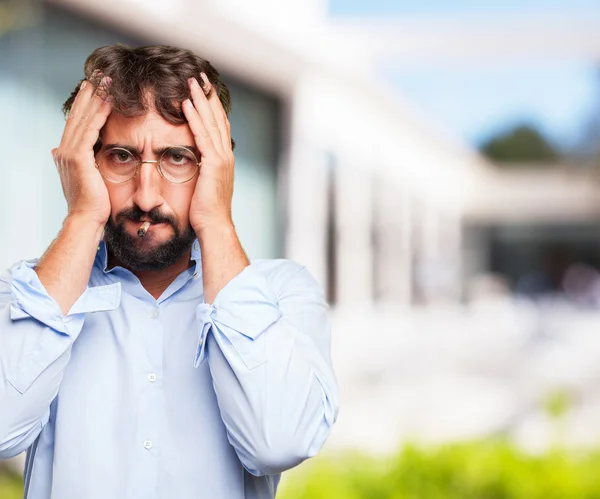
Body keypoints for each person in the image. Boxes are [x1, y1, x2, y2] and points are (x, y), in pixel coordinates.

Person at [0, 44, 338, 499]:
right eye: (120, 156)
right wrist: (82, 217)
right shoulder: (29, 295)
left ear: (214, 168)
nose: (146, 196)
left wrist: (217, 220)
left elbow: (277, 443)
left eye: (177, 158)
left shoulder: (282, 293)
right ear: (83, 164)